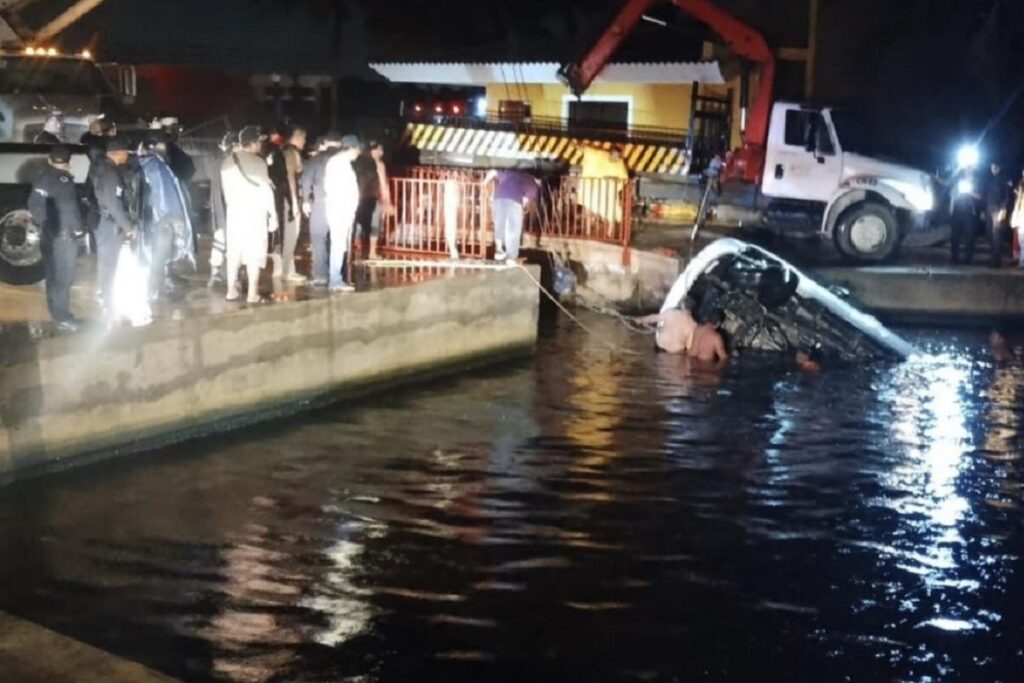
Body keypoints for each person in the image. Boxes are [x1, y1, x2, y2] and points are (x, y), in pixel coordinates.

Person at [27, 145, 83, 331]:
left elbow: (34, 205)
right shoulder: (65, 181)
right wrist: (77, 231)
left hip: (49, 234)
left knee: (52, 275)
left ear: (50, 160)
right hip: (64, 236)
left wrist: (45, 226)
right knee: (64, 278)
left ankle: (56, 312)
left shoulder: (42, 178)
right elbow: (70, 211)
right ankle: (62, 317)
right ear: (69, 162)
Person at [221, 125, 278, 304]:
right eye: (259, 142)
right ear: (252, 143)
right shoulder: (258, 163)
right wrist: (273, 216)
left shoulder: (227, 162)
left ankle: (231, 290)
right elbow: (266, 191)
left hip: (234, 214)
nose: (260, 145)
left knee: (234, 252)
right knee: (254, 253)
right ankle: (252, 293)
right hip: (254, 215)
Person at [139, 132, 195, 301]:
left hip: (153, 218)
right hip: (163, 220)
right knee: (159, 256)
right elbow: (164, 193)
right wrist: (172, 217)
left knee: (159, 255)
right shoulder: (156, 166)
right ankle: (153, 290)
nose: (166, 148)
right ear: (155, 147)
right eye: (163, 144)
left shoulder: (146, 163)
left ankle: (156, 287)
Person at [90, 136, 137, 315]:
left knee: (107, 263)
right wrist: (128, 227)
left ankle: (107, 298)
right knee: (108, 264)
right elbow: (113, 204)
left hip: (108, 222)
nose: (128, 156)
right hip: (110, 224)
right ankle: (108, 302)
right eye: (126, 152)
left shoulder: (105, 169)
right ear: (118, 154)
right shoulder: (110, 174)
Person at [300, 132, 343, 286]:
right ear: (339, 143)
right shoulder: (343, 159)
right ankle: (338, 274)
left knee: (318, 239)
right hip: (339, 204)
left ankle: (320, 274)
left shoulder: (317, 159)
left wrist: (305, 200)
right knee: (338, 240)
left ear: (326, 142)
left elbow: (306, 180)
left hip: (320, 203)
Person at [323, 135, 362, 292]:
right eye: (357, 148)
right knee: (338, 245)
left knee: (338, 244)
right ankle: (335, 280)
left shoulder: (337, 162)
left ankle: (336, 278)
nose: (358, 152)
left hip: (339, 209)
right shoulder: (340, 164)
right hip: (340, 210)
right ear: (351, 148)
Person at [484, 168, 539, 262]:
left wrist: (484, 182)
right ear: (537, 180)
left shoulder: (512, 173)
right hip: (514, 202)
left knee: (499, 225)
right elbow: (525, 201)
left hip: (498, 199)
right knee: (513, 228)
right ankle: (511, 256)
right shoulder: (533, 185)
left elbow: (493, 172)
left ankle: (499, 250)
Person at [636, 307, 729, 363]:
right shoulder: (695, 326)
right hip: (681, 357)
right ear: (718, 323)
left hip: (660, 348)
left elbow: (653, 317)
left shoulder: (697, 328)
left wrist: (641, 320)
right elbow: (723, 358)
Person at [353, 140, 392, 261]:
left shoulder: (356, 161)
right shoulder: (379, 165)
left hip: (357, 198)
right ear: (373, 150)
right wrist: (388, 202)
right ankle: (372, 253)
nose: (382, 152)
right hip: (372, 199)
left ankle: (352, 252)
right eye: (380, 149)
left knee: (357, 226)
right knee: (374, 226)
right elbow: (383, 184)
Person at [208, 130, 236, 288]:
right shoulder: (230, 163)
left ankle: (215, 272)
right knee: (228, 241)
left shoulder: (216, 162)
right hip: (229, 208)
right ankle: (228, 275)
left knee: (219, 239)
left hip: (219, 208)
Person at [279, 125, 307, 281]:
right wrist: (295, 201)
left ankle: (283, 269)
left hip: (281, 197)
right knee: (291, 233)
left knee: (285, 234)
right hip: (289, 199)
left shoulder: (281, 151)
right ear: (296, 136)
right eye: (303, 138)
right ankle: (288, 271)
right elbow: (291, 176)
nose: (304, 141)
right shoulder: (291, 153)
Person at [983, 161, 1012, 267]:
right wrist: (983, 209)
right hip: (989, 208)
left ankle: (996, 260)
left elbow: (1007, 195)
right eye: (992, 166)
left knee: (997, 234)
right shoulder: (989, 179)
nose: (993, 168)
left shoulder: (1004, 178)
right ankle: (993, 256)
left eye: (995, 166)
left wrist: (1003, 209)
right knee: (989, 233)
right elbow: (985, 195)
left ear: (999, 167)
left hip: (998, 208)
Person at [950, 169, 982, 265]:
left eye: (970, 173)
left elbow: (980, 197)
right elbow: (952, 196)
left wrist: (970, 192)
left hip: (969, 213)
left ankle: (968, 258)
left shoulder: (977, 183)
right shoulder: (958, 182)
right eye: (967, 173)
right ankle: (954, 256)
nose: (968, 175)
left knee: (969, 236)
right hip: (957, 211)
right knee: (955, 235)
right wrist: (951, 209)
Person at [1010, 169, 1024, 269]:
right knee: (1020, 240)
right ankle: (1020, 260)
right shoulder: (1021, 184)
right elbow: (1018, 203)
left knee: (1022, 240)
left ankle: (1022, 262)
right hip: (1020, 214)